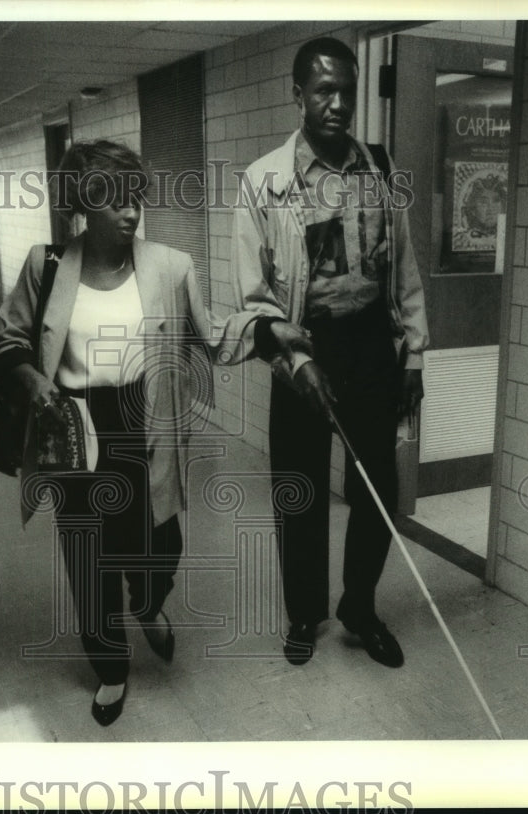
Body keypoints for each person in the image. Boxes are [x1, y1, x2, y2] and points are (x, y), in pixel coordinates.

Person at [0, 141, 268, 725]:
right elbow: (9, 339)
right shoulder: (46, 266)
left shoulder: (170, 266)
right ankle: (111, 669)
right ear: (83, 205)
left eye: (135, 198)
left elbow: (215, 339)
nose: (131, 212)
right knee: (89, 560)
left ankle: (148, 603)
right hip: (72, 426)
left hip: (144, 423)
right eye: (114, 200)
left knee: (160, 547)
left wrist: (270, 332)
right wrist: (34, 380)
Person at [230, 37, 430, 668]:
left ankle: (360, 607)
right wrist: (294, 362)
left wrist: (415, 356)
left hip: (371, 344)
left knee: (379, 488)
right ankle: (304, 614)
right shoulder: (263, 182)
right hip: (304, 343)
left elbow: (406, 274)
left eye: (346, 90)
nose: (338, 104)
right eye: (323, 91)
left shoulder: (380, 170)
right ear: (298, 96)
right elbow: (254, 296)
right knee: (300, 488)